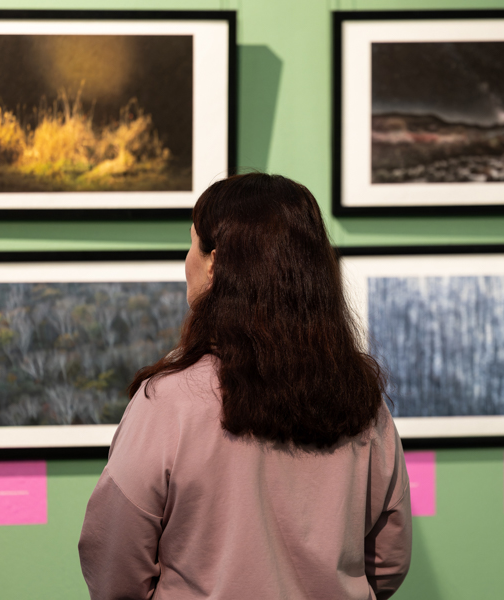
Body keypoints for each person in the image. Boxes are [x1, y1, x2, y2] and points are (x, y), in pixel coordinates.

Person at [78, 173, 412, 600]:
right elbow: (388, 561)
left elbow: (114, 559)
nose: (186, 260)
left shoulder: (168, 402)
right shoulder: (362, 401)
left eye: (191, 244)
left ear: (214, 263)